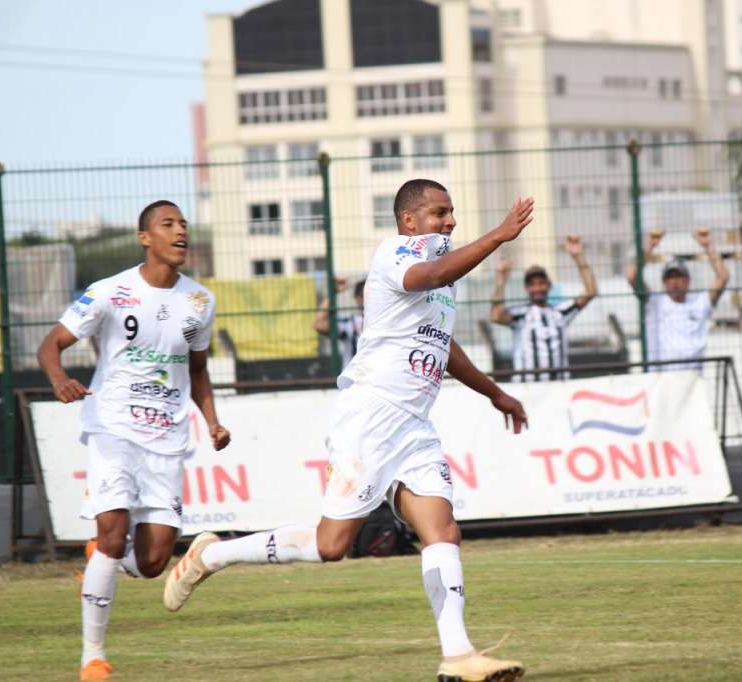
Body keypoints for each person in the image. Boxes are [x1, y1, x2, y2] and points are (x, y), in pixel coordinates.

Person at [164, 179, 533, 681]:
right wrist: (498, 235)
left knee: (443, 530)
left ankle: (458, 656)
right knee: (330, 546)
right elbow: (431, 273)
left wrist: (494, 393)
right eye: (439, 213)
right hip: (372, 417)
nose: (449, 221)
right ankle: (215, 554)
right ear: (409, 220)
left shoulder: (444, 277)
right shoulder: (396, 254)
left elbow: (442, 345)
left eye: (452, 213)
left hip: (414, 426)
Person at [36, 200, 231, 681]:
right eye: (168, 224)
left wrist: (212, 421)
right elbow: (50, 344)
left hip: (167, 437)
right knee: (112, 532)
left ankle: (103, 560)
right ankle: (93, 657)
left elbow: (198, 370)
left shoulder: (199, 301)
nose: (180, 230)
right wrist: (59, 379)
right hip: (113, 428)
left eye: (183, 224)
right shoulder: (110, 292)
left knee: (152, 562)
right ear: (145, 237)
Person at [489, 235, 597, 381]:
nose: (537, 288)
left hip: (559, 385)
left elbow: (590, 291)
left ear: (549, 286)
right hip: (527, 387)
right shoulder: (521, 315)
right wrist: (501, 280)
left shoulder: (561, 312)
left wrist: (579, 257)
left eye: (541, 283)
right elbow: (496, 315)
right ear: (526, 288)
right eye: (532, 284)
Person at [625, 227, 729, 371]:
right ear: (664, 282)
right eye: (670, 277)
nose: (674, 282)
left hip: (692, 377)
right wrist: (650, 245)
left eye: (679, 276)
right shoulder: (655, 302)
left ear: (688, 280)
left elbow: (723, 277)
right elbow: (632, 276)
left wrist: (708, 245)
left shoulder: (699, 304)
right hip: (662, 377)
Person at [312, 276, 365, 367]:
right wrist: (332, 293)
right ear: (358, 299)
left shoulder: (388, 320)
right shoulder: (351, 322)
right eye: (364, 295)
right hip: (355, 374)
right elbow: (319, 324)